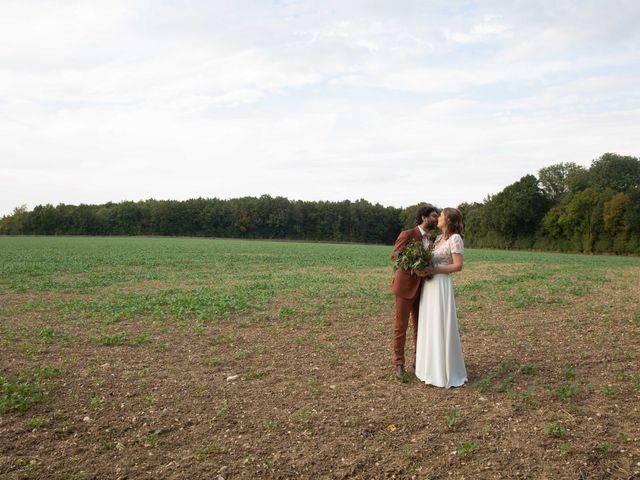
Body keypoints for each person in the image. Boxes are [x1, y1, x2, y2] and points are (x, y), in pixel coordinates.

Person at [414, 207, 467, 388]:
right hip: (429, 286)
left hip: (441, 285)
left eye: (442, 215)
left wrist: (434, 270)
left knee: (440, 323)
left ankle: (444, 371)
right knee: (429, 323)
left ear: (449, 221)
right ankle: (429, 368)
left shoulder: (455, 239)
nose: (438, 218)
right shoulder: (437, 239)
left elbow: (458, 266)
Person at [390, 205, 439, 379]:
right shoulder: (407, 234)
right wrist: (414, 267)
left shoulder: (433, 238)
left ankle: (419, 362)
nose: (436, 219)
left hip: (425, 289)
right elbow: (395, 256)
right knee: (401, 327)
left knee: (421, 328)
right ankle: (399, 364)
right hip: (405, 288)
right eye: (433, 216)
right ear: (423, 218)